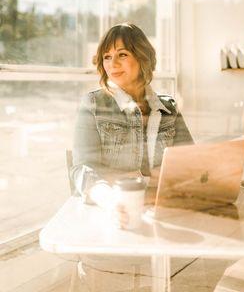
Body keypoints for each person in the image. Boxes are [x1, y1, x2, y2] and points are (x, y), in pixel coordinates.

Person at [71, 22, 193, 223]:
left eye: (122, 54)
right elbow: (82, 169)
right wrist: (110, 200)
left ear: (142, 57)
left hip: (166, 213)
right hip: (113, 215)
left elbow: (190, 162)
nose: (112, 64)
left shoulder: (168, 108)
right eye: (107, 57)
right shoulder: (93, 104)